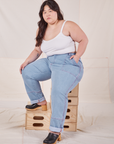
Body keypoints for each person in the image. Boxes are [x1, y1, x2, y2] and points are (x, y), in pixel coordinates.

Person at [19, 0, 88, 143]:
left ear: (57, 11)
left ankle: (55, 131)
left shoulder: (67, 25)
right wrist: (26, 61)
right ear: (41, 15)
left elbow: (83, 39)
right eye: (44, 12)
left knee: (57, 92)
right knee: (27, 71)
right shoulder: (41, 29)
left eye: (50, 10)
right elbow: (38, 50)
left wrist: (77, 57)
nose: (47, 14)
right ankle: (39, 101)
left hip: (67, 63)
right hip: (50, 61)